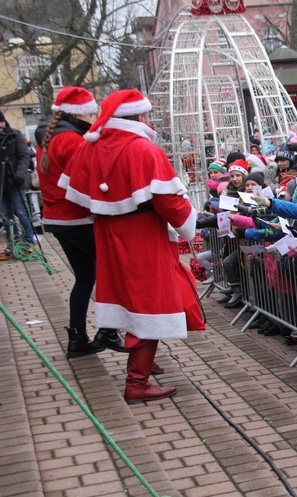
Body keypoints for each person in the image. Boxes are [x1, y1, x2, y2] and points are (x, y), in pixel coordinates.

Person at [61, 89, 204, 403]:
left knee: (126, 298)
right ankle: (136, 382)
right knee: (148, 302)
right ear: (139, 116)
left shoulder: (91, 147)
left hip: (107, 233)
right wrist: (189, 225)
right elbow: (169, 201)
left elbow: (75, 195)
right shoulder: (143, 149)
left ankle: (144, 361)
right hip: (143, 235)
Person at [34, 86, 127, 357]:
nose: (95, 117)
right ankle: (108, 330)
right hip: (78, 218)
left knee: (85, 277)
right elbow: (86, 180)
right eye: (93, 112)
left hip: (57, 218)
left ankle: (77, 338)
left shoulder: (49, 137)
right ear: (82, 113)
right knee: (113, 273)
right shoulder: (72, 140)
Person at [0, 109, 34, 257]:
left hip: (16, 180)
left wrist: (20, 175)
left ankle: (27, 241)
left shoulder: (15, 135)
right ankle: (12, 242)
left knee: (21, 212)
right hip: (1, 184)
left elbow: (23, 156)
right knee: (5, 215)